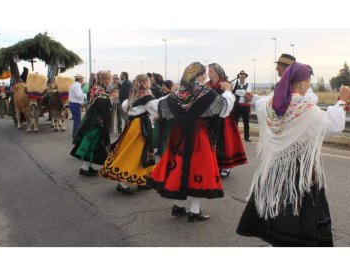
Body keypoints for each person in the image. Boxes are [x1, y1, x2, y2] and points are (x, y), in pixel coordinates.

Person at [236, 62, 350, 246]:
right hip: (299, 173)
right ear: (303, 83)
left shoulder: (268, 104)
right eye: (309, 82)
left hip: (274, 169)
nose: (309, 86)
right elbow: (332, 125)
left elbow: (260, 104)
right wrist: (342, 101)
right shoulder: (305, 107)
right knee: (296, 220)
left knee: (275, 214)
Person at [147, 62, 235, 223]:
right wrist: (228, 91)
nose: (206, 77)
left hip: (178, 135)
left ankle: (178, 206)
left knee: (179, 168)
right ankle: (194, 211)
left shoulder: (177, 94)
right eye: (204, 74)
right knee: (198, 170)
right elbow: (224, 109)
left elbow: (159, 107)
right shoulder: (205, 92)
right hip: (198, 136)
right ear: (198, 75)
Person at [100, 74, 159, 195]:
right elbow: (157, 109)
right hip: (140, 127)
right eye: (148, 80)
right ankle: (123, 184)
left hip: (133, 125)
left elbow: (124, 106)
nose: (149, 82)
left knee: (142, 153)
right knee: (135, 154)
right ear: (145, 82)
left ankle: (141, 180)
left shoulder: (133, 95)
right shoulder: (147, 96)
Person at [206, 63, 248, 178]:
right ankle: (215, 165)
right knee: (211, 142)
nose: (208, 73)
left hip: (224, 118)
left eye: (211, 71)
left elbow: (231, 100)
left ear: (217, 72)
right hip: (210, 118)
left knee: (223, 142)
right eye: (208, 71)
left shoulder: (225, 84)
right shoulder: (207, 85)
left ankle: (225, 167)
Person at [70, 70, 112, 177]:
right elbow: (102, 105)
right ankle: (84, 168)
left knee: (94, 142)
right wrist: (111, 98)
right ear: (103, 79)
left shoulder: (96, 88)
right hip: (97, 121)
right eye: (108, 79)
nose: (109, 81)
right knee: (92, 142)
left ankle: (87, 166)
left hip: (94, 119)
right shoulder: (100, 89)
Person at [232, 70, 253, 142]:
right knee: (235, 122)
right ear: (239, 77)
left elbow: (247, 93)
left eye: (243, 77)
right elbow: (234, 92)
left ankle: (246, 137)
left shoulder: (248, 85)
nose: (242, 78)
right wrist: (243, 92)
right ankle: (234, 137)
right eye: (241, 77)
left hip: (245, 106)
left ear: (245, 78)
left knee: (246, 122)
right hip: (237, 105)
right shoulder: (235, 84)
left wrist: (239, 92)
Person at [69, 74, 86, 140]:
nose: (82, 80)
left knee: (76, 120)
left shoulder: (73, 85)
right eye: (82, 79)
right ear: (79, 79)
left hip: (72, 104)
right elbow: (79, 95)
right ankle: (76, 135)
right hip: (75, 104)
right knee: (77, 121)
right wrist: (84, 95)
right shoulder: (77, 86)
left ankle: (75, 134)